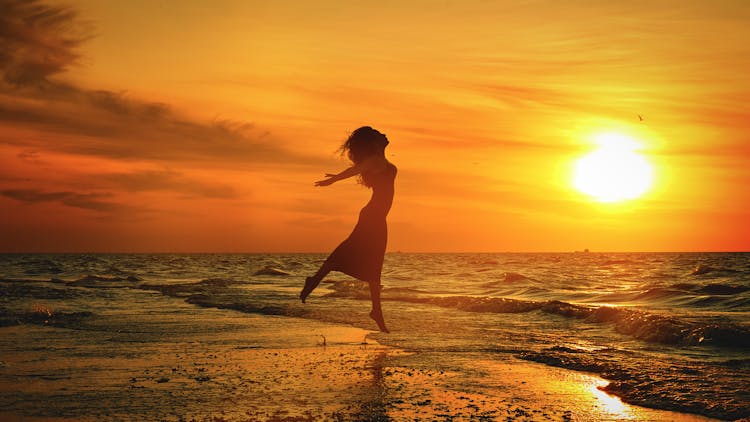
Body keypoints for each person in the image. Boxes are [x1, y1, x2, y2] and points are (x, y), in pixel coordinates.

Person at [300, 126, 397, 333]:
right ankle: (315, 280)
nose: (385, 135)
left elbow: (356, 169)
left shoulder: (380, 161)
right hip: (372, 216)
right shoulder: (373, 161)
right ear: (374, 142)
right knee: (351, 252)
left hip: (378, 218)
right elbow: (354, 170)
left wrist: (335, 177)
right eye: (380, 134)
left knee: (374, 263)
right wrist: (333, 180)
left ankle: (375, 311)